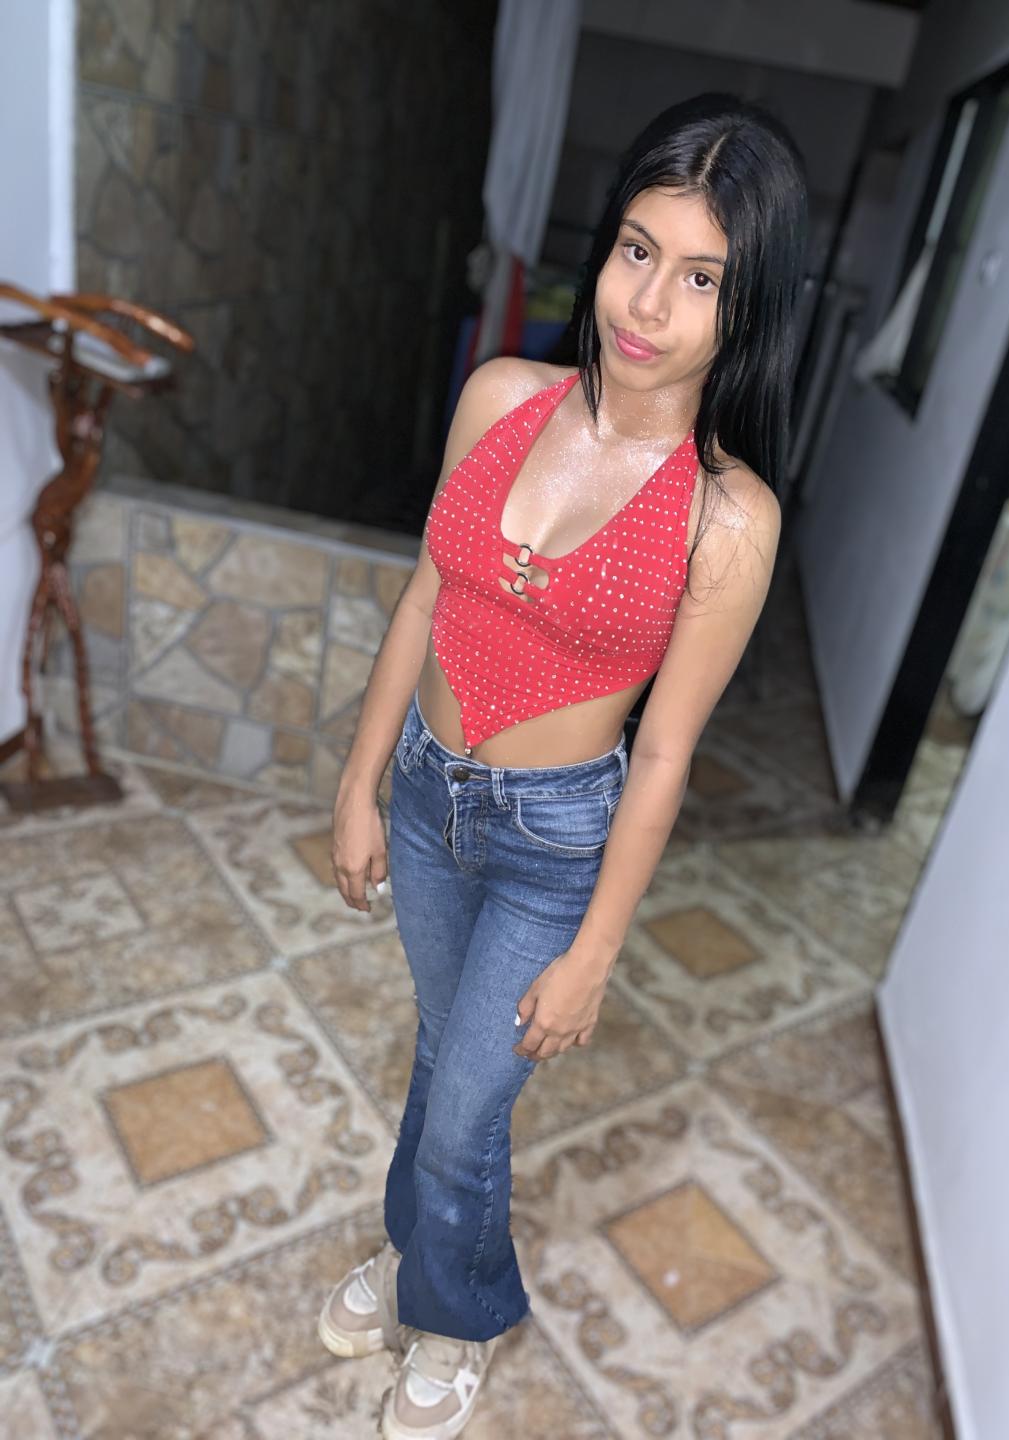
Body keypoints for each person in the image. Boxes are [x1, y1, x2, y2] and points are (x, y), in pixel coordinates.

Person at [319, 90, 808, 1440]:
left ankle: (453, 1312)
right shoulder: (499, 397)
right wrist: (360, 781)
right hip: (430, 793)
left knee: (467, 1108)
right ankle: (416, 1260)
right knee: (443, 1062)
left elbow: (666, 754)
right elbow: (427, 595)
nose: (648, 303)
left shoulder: (729, 519)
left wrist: (596, 949)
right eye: (638, 251)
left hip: (553, 844)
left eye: (701, 276)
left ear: (748, 307)